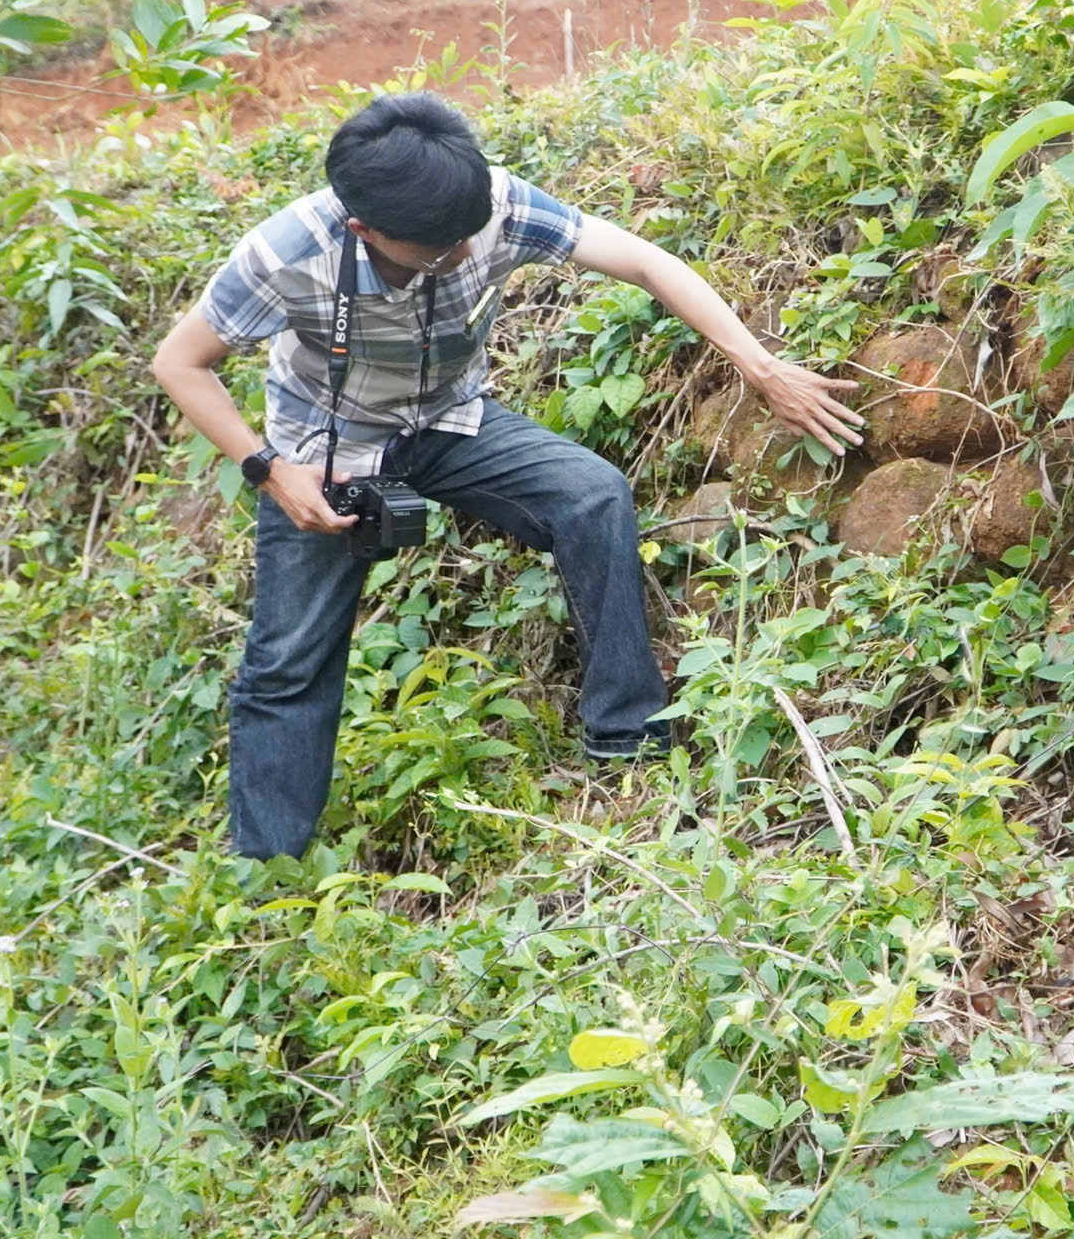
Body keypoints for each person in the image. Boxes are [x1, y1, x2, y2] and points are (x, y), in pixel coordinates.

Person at [151, 92, 864, 859]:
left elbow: (644, 261)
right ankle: (267, 868)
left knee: (592, 496)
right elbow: (179, 363)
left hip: (451, 420)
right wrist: (269, 471)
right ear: (366, 230)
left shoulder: (491, 203)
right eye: (439, 251)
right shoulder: (287, 252)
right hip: (323, 453)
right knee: (287, 661)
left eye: (469, 237)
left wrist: (759, 366)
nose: (463, 255)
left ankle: (627, 742)